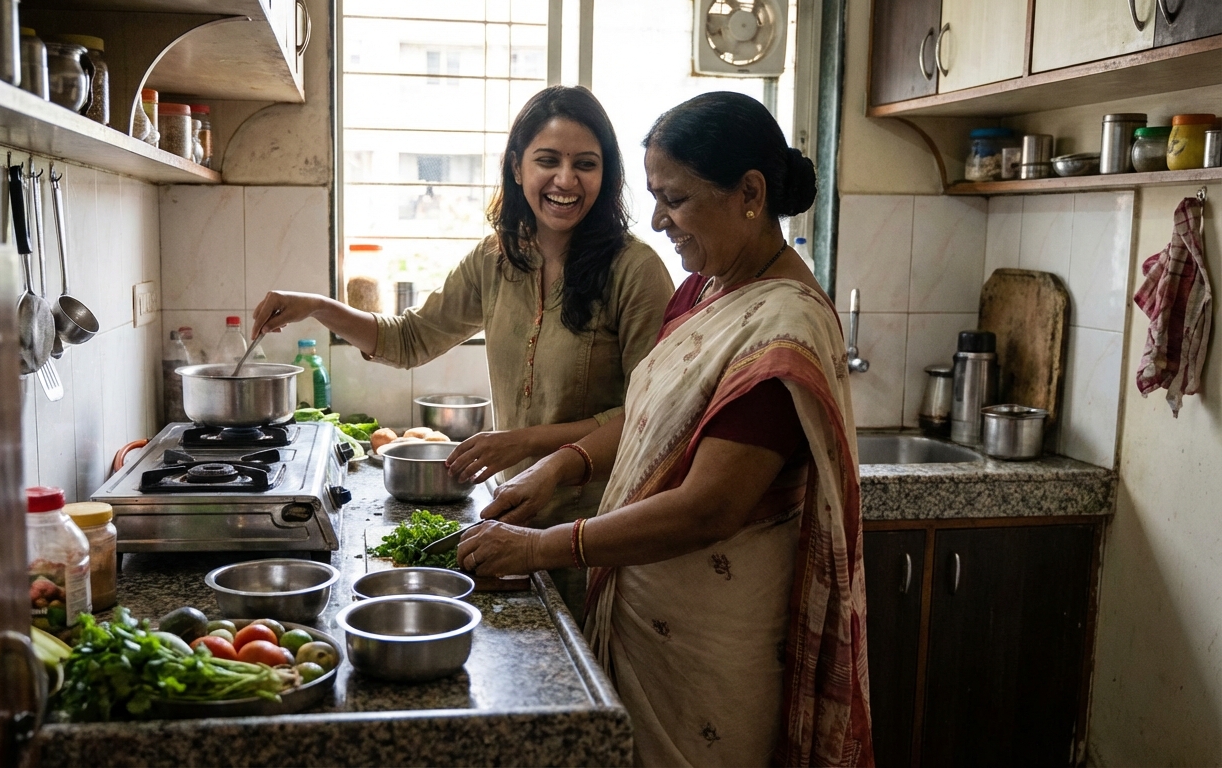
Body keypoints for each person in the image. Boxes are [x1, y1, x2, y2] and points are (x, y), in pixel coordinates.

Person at [455, 91, 873, 767]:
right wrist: (562, 465)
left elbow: (711, 507)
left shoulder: (779, 330)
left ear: (750, 193)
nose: (657, 219)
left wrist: (538, 550)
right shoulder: (705, 288)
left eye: (674, 199)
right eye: (653, 196)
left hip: (711, 640)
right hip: (645, 620)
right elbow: (651, 417)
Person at [249, 85, 676, 618]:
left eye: (584, 164)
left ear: (605, 176)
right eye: (548, 160)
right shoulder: (496, 259)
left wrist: (522, 442)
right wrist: (316, 306)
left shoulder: (635, 271)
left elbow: (648, 419)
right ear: (518, 168)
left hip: (598, 531)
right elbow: (409, 339)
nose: (566, 179)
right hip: (514, 523)